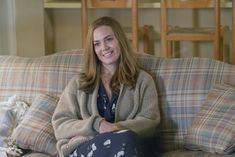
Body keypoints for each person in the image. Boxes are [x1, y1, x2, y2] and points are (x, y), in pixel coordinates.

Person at [52, 16, 160, 157]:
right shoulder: (79, 83)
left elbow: (149, 123)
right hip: (87, 148)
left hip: (129, 146)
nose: (104, 48)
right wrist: (97, 125)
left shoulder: (143, 80)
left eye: (109, 39)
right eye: (97, 44)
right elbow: (60, 124)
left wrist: (115, 129)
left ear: (120, 40)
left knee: (126, 140)